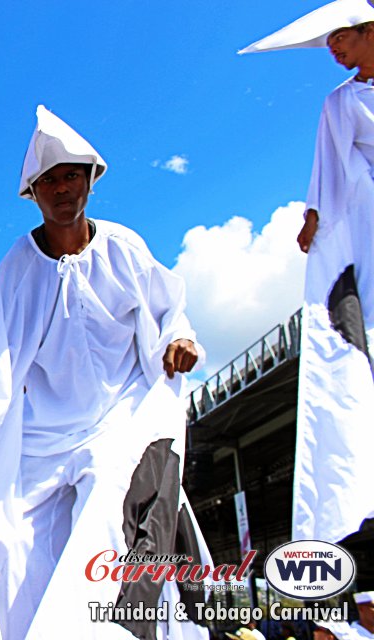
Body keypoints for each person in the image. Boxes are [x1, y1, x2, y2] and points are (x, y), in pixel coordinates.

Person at [0, 105, 202, 638]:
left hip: (117, 418)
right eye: (49, 181)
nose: (61, 188)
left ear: (90, 182)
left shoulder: (124, 248)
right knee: (7, 545)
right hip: (41, 434)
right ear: (33, 194)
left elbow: (168, 309)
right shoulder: (17, 265)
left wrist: (180, 337)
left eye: (71, 177)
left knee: (110, 517)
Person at [239, 0, 374, 545]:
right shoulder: (341, 103)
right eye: (328, 43)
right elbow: (329, 170)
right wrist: (315, 217)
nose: (333, 49)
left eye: (339, 38)